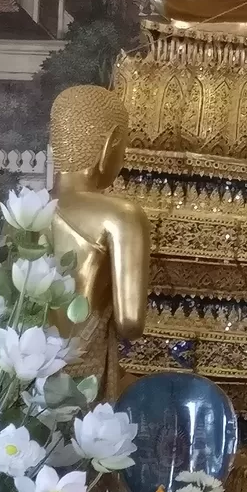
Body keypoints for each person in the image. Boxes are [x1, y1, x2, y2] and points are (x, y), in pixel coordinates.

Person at [50, 85, 150, 398]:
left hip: (28, 370)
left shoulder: (22, 213)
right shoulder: (122, 215)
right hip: (86, 370)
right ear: (112, 144)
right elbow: (131, 323)